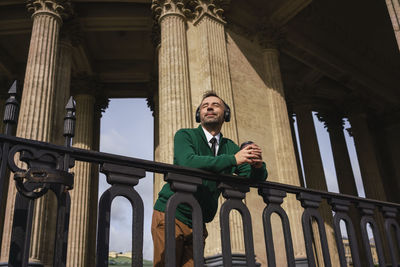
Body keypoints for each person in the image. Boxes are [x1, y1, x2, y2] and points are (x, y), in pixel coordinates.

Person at [151, 91, 268, 267]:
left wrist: (258, 166)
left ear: (225, 114)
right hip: (172, 212)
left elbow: (249, 176)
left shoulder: (230, 147)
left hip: (199, 220)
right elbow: (187, 161)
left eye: (216, 105)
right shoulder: (185, 135)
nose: (210, 108)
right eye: (205, 106)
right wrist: (232, 159)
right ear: (199, 115)